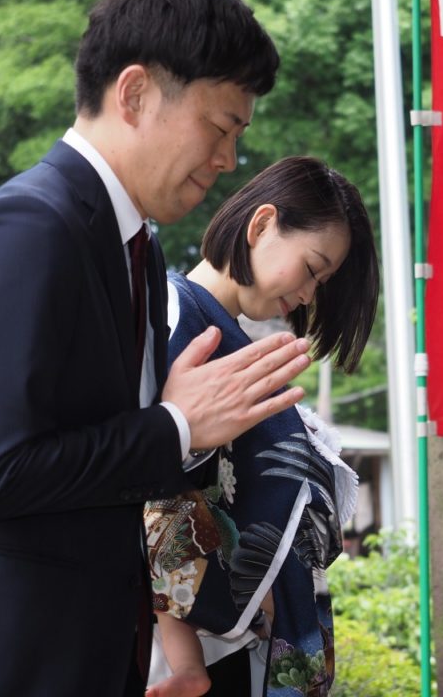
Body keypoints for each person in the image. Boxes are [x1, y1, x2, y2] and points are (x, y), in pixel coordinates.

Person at [0, 0, 315, 697]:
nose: (230, 159)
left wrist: (179, 427)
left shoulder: (128, 243)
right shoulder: (29, 229)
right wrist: (175, 424)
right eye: (221, 126)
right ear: (135, 93)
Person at [142, 156, 379, 697]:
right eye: (313, 268)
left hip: (232, 646)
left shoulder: (225, 336)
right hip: (202, 644)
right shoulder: (181, 318)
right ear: (262, 224)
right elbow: (157, 488)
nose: (308, 295)